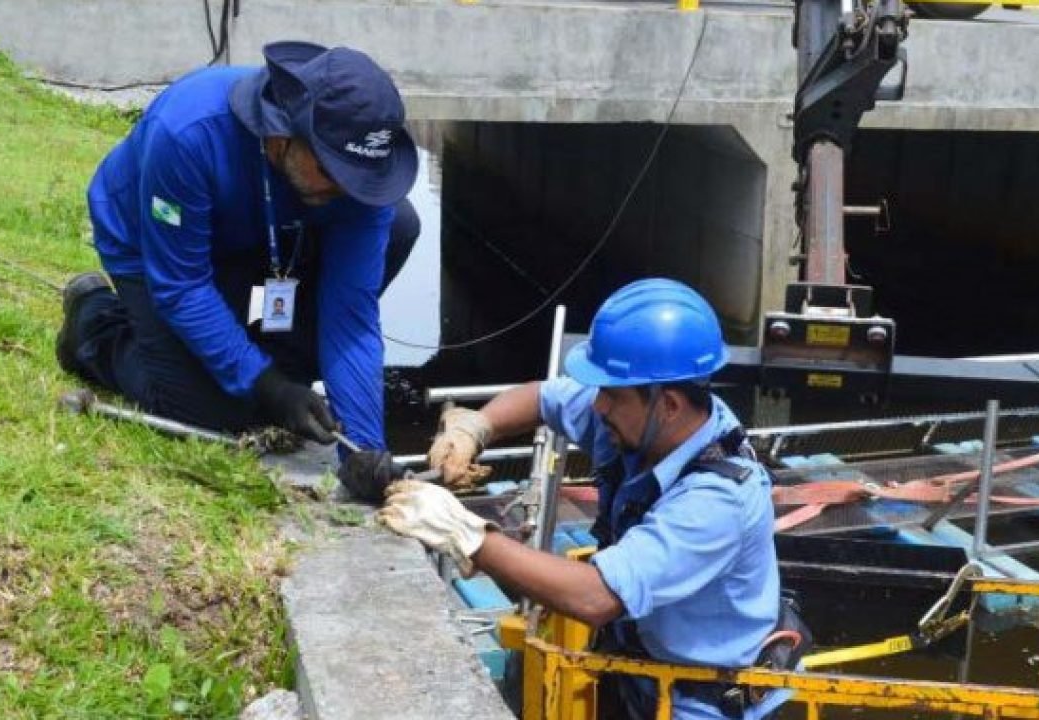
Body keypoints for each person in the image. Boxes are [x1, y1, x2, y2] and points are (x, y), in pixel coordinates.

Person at [380, 278, 783, 719]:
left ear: (667, 404)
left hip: (694, 698)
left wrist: (466, 533)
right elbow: (543, 397)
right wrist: (475, 428)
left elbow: (595, 597)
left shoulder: (717, 501)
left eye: (610, 394)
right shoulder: (641, 421)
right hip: (633, 667)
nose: (597, 406)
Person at [55, 41, 418, 499]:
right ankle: (94, 324)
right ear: (282, 134)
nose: (349, 189)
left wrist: (364, 451)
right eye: (335, 172)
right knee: (207, 408)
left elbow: (351, 317)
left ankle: (270, 363)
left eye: (359, 177)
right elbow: (182, 287)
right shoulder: (188, 131)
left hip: (271, 236)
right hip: (155, 246)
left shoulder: (353, 187)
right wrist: (269, 387)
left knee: (400, 224)